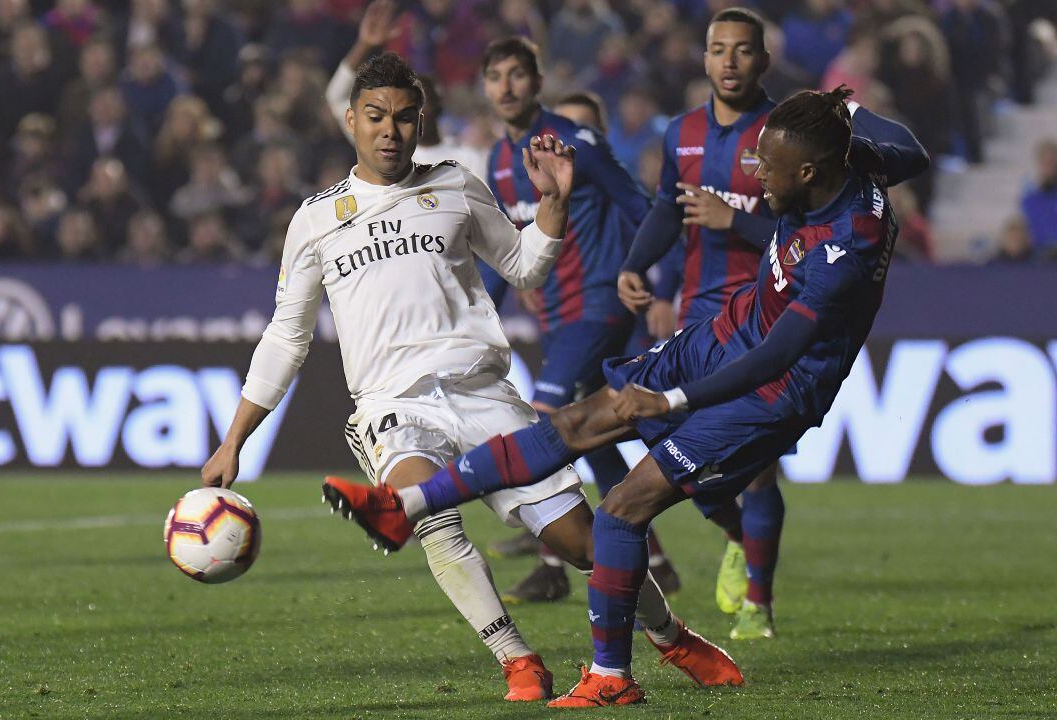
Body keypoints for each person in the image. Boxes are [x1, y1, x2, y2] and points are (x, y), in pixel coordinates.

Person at [323, 86, 930, 707]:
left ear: (808, 171)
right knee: (578, 422)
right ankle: (406, 505)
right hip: (729, 332)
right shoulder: (854, 161)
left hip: (772, 391)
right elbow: (913, 150)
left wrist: (672, 403)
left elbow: (776, 358)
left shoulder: (844, 250)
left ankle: (613, 676)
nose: (754, 179)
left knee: (620, 510)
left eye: (766, 169)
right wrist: (841, 109)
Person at [202, 52, 735, 703]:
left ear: (420, 121)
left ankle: (668, 634)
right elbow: (287, 336)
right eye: (376, 117)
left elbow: (523, 266)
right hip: (393, 405)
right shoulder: (316, 218)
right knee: (422, 512)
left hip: (484, 396)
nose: (390, 130)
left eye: (404, 117)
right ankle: (516, 657)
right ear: (351, 121)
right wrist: (235, 440)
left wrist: (552, 204)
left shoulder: (455, 184)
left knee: (586, 544)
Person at [476, 36, 683, 606]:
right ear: (486, 88)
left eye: (518, 75)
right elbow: (503, 250)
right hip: (558, 316)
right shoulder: (497, 160)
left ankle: (553, 565)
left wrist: (658, 282)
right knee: (592, 438)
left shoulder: (578, 141)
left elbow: (646, 209)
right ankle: (653, 559)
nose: (507, 87)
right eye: (496, 77)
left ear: (537, 82)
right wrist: (481, 313)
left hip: (600, 303)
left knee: (545, 425)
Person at [618, 6, 783, 640]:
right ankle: (741, 533)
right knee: (670, 439)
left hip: (769, 317)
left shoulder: (782, 133)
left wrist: (734, 220)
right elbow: (668, 208)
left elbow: (804, 234)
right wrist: (637, 264)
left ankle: (758, 604)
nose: (731, 62)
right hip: (700, 316)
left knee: (759, 461)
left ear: (762, 60)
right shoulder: (682, 131)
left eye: (744, 51)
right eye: (720, 50)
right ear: (705, 58)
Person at [324, 0, 488, 179]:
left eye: (421, 102)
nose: (413, 111)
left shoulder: (467, 158)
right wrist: (365, 44)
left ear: (438, 103)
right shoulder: (383, 150)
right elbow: (336, 96)